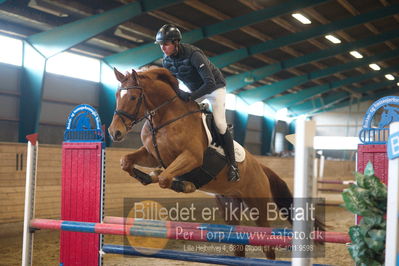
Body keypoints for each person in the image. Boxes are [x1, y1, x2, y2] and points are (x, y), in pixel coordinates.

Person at [155, 24, 240, 182]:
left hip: (215, 88)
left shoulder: (194, 55)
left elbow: (209, 83)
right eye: (161, 44)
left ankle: (233, 164)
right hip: (194, 90)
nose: (163, 48)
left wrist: (190, 96)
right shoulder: (166, 62)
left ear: (176, 42)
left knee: (220, 124)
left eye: (166, 44)